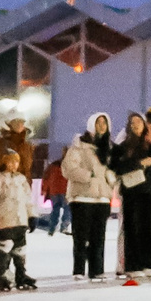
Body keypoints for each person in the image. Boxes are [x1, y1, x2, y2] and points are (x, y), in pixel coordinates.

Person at [62, 114, 118, 280]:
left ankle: (97, 270)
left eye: (104, 123)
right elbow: (68, 169)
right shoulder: (78, 147)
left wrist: (110, 178)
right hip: (82, 197)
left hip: (102, 198)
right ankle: (79, 270)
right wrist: (89, 175)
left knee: (98, 237)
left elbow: (115, 169)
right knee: (81, 237)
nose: (101, 126)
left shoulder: (109, 149)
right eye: (98, 122)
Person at [110, 112, 151, 281]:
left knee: (150, 228)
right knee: (132, 228)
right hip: (132, 190)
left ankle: (150, 264)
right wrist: (139, 163)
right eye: (133, 123)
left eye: (139, 122)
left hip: (150, 189)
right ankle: (133, 265)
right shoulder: (124, 145)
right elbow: (117, 167)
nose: (136, 125)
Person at [0, 139, 40, 290]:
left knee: (20, 249)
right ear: (4, 162)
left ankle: (21, 274)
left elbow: (28, 200)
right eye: (10, 161)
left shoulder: (21, 179)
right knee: (4, 247)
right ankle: (0, 275)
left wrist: (32, 216)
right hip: (5, 220)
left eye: (16, 162)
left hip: (20, 220)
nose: (14, 165)